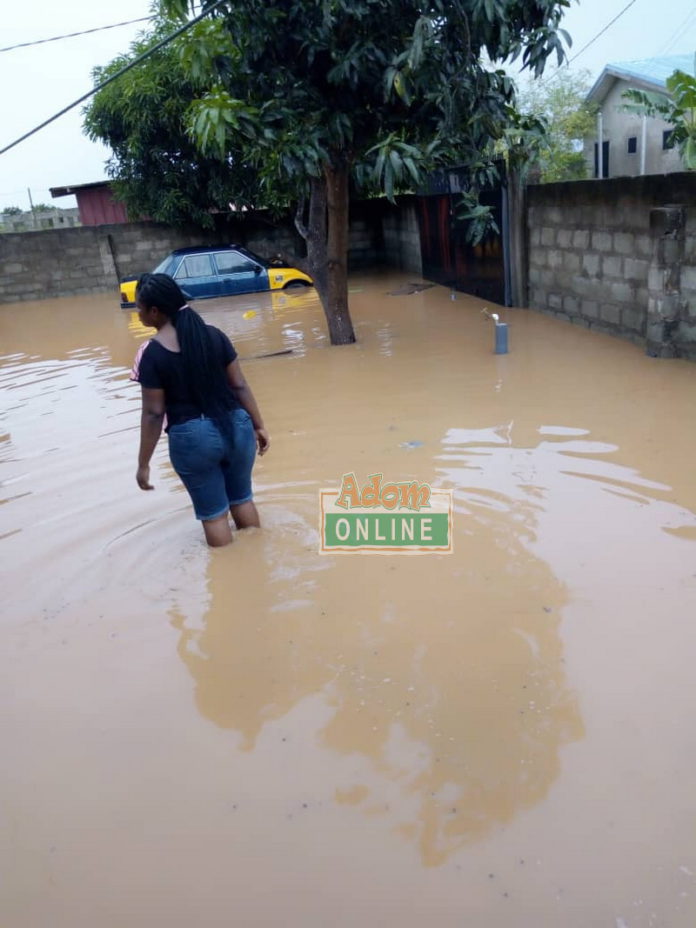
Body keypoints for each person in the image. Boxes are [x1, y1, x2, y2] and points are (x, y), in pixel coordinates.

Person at [133, 272, 269, 547]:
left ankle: (229, 579)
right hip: (237, 427)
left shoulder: (151, 353)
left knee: (215, 516)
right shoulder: (215, 336)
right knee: (242, 499)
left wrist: (143, 463)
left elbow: (153, 414)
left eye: (139, 307)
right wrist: (258, 425)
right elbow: (239, 386)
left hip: (193, 439)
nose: (138, 314)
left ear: (155, 311)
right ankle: (258, 559)